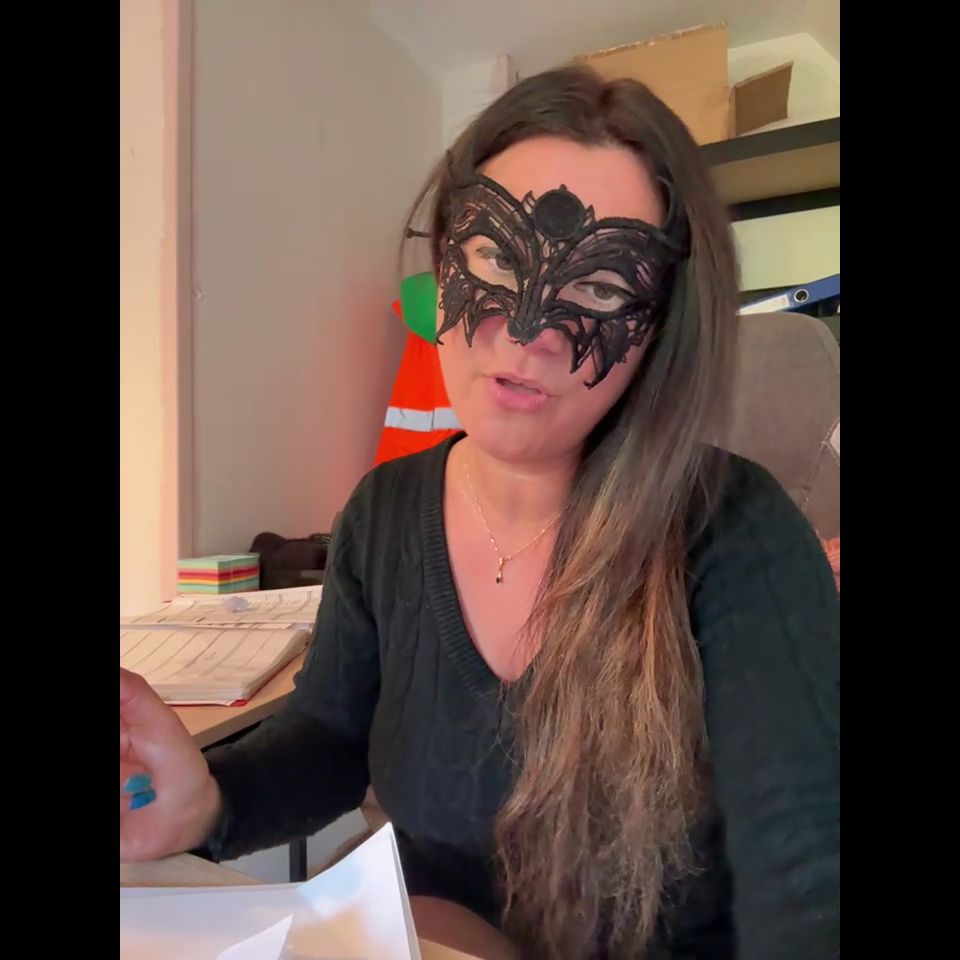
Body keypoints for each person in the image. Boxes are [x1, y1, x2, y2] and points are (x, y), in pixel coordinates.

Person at [120, 66, 839, 960]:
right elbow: (331, 736)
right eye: (497, 256)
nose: (527, 329)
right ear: (444, 258)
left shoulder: (736, 533)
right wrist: (208, 801)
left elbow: (806, 880)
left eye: (600, 288)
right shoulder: (383, 515)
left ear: (659, 330)